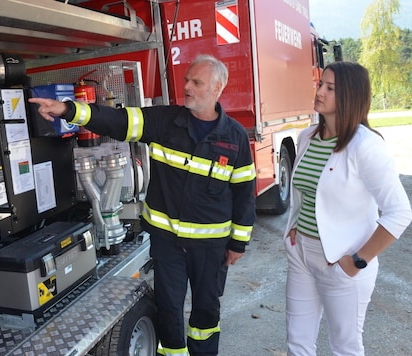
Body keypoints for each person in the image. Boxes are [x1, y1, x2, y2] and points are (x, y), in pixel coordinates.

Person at [30, 54, 256, 355]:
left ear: (217, 89)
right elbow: (115, 120)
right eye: (187, 79)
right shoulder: (165, 121)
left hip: (210, 248)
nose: (186, 86)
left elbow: (244, 192)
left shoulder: (235, 137)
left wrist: (238, 244)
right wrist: (68, 109)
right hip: (169, 245)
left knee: (206, 314)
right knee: (169, 310)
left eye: (196, 82)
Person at [283, 61, 412, 355]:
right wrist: (294, 227)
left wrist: (357, 261)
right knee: (297, 342)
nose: (321, 92)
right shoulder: (308, 136)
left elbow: (400, 212)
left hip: (343, 260)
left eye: (331, 88)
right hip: (302, 253)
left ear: (351, 96)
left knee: (345, 347)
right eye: (321, 85)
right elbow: (306, 190)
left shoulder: (365, 146)